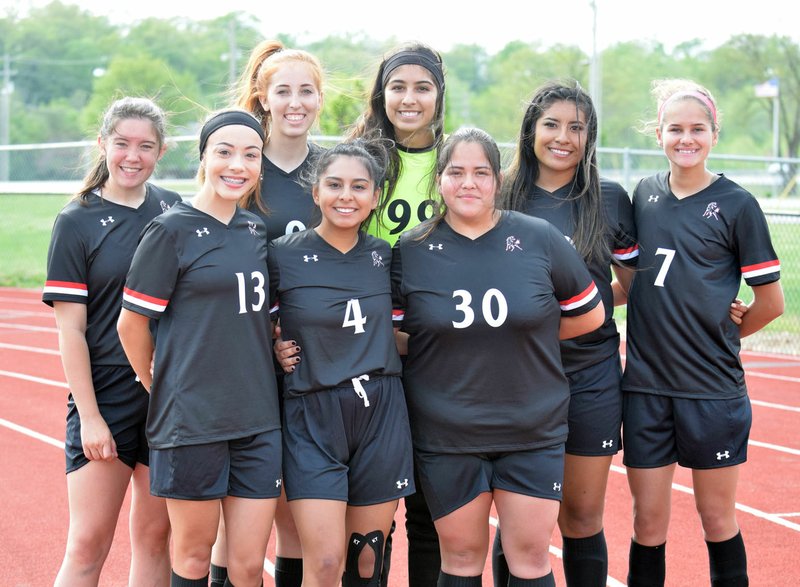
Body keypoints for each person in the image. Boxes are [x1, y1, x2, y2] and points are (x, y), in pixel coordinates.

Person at [391, 127, 606, 587]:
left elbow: (590, 315)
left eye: (480, 173)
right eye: (456, 172)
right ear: (440, 179)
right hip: (447, 432)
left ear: (497, 179)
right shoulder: (409, 250)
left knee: (530, 557)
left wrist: (527, 337)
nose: (468, 183)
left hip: (531, 427)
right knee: (462, 557)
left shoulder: (538, 238)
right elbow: (393, 334)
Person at [620, 79, 784, 587]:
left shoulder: (736, 205)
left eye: (697, 129)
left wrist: (725, 331)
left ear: (714, 134)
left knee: (716, 520)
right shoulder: (643, 194)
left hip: (711, 389)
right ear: (659, 134)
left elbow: (772, 303)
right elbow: (630, 281)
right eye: (675, 129)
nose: (685, 138)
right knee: (647, 523)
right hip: (646, 387)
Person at [117, 109, 282, 587]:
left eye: (250, 155)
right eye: (225, 152)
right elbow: (131, 325)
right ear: (204, 157)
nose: (238, 165)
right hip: (192, 423)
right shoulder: (171, 231)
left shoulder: (254, 231)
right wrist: (160, 384)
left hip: (257, 418)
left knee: (249, 566)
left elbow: (254, 319)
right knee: (191, 557)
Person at [491, 80, 638, 587]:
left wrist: (582, 314)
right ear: (530, 129)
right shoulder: (501, 192)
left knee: (580, 517)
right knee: (518, 518)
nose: (563, 137)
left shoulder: (611, 199)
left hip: (590, 376)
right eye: (550, 124)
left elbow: (627, 286)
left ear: (590, 136)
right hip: (514, 378)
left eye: (576, 127)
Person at [43, 96, 180, 587]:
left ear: (161, 151)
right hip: (106, 394)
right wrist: (92, 417)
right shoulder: (76, 221)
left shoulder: (174, 210)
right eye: (121, 143)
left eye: (145, 146)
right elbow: (70, 330)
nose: (132, 156)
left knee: (155, 539)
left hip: (166, 395)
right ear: (102, 144)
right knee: (87, 545)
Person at [268, 138, 416, 587]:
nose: (346, 196)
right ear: (316, 192)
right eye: (334, 184)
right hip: (313, 413)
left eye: (358, 186)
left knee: (367, 559)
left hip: (380, 411)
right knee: (326, 562)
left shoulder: (386, 257)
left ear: (374, 198)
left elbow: (409, 330)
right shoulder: (282, 255)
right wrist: (271, 349)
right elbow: (249, 322)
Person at [209, 39, 326, 587]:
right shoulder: (243, 168)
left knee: (299, 511)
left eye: (306, 91)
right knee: (246, 514)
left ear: (320, 99)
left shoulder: (334, 170)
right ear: (263, 95)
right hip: (252, 358)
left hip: (317, 360)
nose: (295, 102)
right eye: (283, 91)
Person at [348, 40, 447, 586]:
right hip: (369, 350)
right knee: (370, 507)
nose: (409, 99)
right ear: (381, 93)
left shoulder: (456, 160)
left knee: (432, 508)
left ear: (439, 95)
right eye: (398, 87)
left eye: (422, 88)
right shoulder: (358, 157)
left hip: (440, 350)